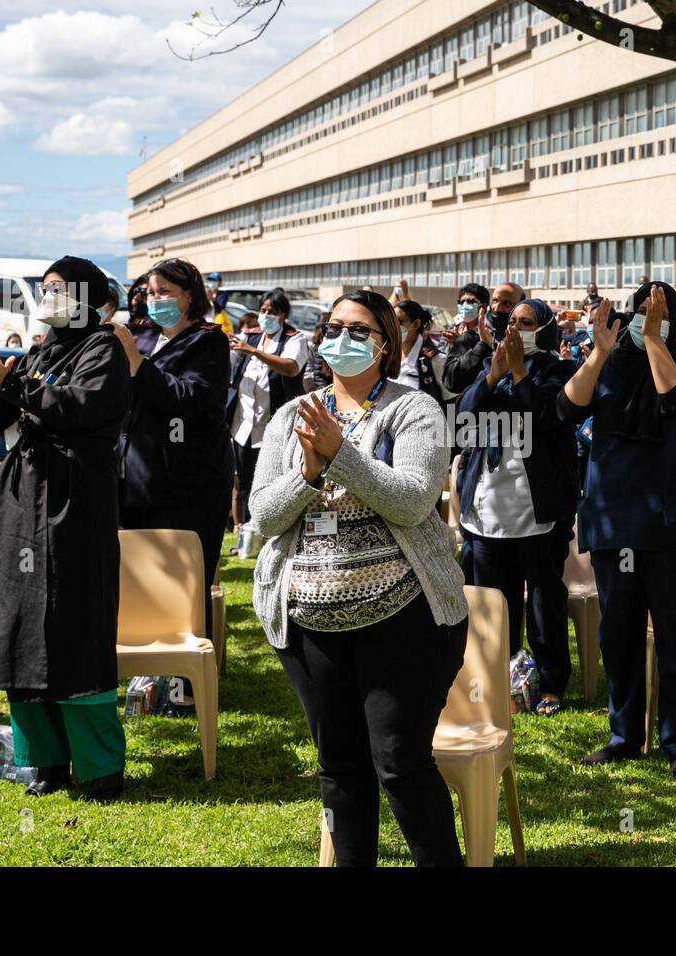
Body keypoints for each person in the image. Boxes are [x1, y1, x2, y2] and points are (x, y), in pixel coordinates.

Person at [249, 289, 469, 866]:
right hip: (310, 624)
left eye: (361, 330)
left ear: (386, 345)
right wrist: (310, 473)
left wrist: (339, 452)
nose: (342, 339)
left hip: (405, 622)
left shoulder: (412, 409)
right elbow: (266, 514)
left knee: (399, 763)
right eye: (334, 327)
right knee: (340, 768)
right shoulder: (290, 416)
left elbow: (413, 501)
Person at [0, 256, 130, 801]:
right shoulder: (41, 350)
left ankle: (99, 768)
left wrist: (12, 383)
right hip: (22, 502)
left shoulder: (102, 349)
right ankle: (46, 763)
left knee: (73, 626)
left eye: (59, 289)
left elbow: (77, 407)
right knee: (18, 626)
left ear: (85, 296)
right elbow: (2, 418)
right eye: (45, 288)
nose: (48, 296)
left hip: (74, 502)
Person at [558, 280, 676, 780]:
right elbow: (567, 409)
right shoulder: (606, 364)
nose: (651, 317)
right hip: (614, 523)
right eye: (643, 311)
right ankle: (624, 735)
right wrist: (599, 354)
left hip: (672, 527)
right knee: (618, 636)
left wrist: (654, 342)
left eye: (660, 311)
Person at [112, 257, 233, 691]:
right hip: (137, 479)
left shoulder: (208, 341)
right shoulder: (146, 339)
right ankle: (145, 671)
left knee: (185, 581)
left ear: (189, 296)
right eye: (149, 291)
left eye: (165, 291)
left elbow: (187, 398)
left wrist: (135, 364)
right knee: (139, 575)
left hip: (189, 484)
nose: (154, 299)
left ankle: (183, 685)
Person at [457, 298, 578, 715]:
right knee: (496, 602)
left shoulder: (558, 370)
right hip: (489, 510)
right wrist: (493, 375)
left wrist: (520, 372)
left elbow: (545, 416)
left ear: (543, 329)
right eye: (512, 321)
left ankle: (550, 684)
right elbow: (465, 417)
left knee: (544, 601)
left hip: (537, 509)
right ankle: (499, 680)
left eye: (526, 322)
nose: (516, 328)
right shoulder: (493, 370)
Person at [227, 289, 309, 556]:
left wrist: (254, 352)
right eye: (262, 310)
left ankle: (270, 536)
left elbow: (290, 368)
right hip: (244, 426)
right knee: (244, 482)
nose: (265, 316)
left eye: (271, 312)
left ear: (283, 315)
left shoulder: (294, 339)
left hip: (275, 426)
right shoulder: (249, 336)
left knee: (271, 482)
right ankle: (245, 538)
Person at [444, 281, 524, 396]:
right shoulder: (470, 338)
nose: (497, 308)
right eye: (495, 301)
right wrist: (482, 346)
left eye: (507, 304)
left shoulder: (528, 342)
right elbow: (451, 381)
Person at [392, 299, 447, 404]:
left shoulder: (435, 359)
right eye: (391, 322)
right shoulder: (388, 354)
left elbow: (451, 399)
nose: (394, 327)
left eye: (399, 322)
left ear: (416, 324)